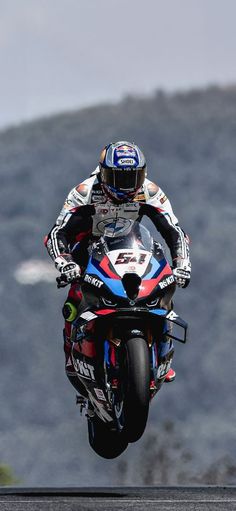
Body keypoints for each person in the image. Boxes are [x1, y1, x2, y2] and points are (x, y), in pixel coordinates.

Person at [45, 141, 191, 392]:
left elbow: (174, 232)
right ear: (102, 173)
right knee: (73, 304)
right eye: (118, 177)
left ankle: (164, 354)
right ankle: (73, 354)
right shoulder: (84, 192)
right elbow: (58, 233)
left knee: (163, 287)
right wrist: (65, 263)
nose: (126, 185)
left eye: (134, 177)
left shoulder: (151, 191)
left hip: (133, 248)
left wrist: (182, 264)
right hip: (89, 252)